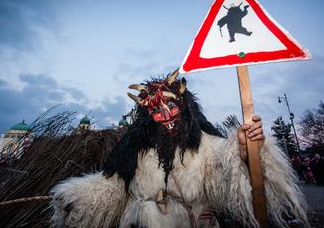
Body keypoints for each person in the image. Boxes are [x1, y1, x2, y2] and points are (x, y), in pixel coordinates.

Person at [50, 69, 308, 228]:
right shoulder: (134, 151)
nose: (166, 116)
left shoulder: (206, 145)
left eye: (171, 107)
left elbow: (226, 165)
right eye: (157, 111)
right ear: (147, 117)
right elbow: (114, 187)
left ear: (185, 109)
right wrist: (78, 197)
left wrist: (242, 149)